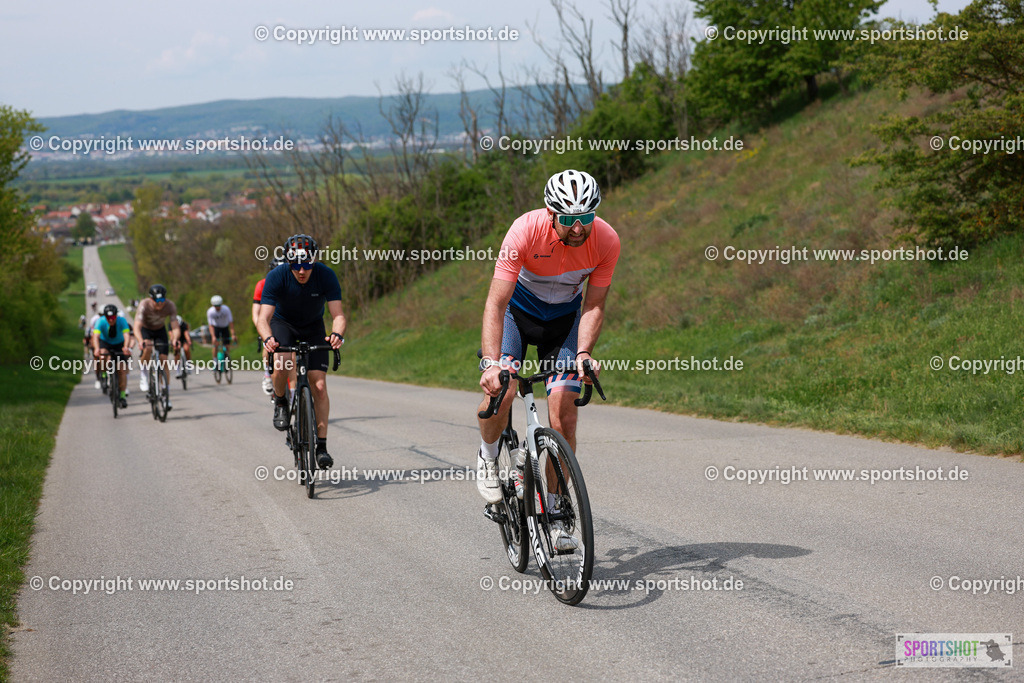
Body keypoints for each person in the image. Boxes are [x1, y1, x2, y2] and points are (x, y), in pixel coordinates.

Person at [476, 169, 620, 550]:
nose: (577, 228)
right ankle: (489, 457)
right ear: (550, 212)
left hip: (563, 324)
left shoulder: (606, 241)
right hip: (517, 317)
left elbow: (594, 304)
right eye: (569, 219)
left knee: (565, 413)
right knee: (502, 395)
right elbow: (496, 301)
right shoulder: (523, 231)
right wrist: (491, 363)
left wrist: (585, 353)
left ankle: (555, 512)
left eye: (585, 218)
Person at [258, 234, 346, 469]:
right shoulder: (276, 276)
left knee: (318, 386)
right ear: (288, 262)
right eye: (295, 265)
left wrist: (337, 335)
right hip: (283, 324)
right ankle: (280, 402)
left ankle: (322, 447)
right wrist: (268, 338)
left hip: (313, 326)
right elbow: (263, 318)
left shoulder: (326, 275)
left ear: (314, 260)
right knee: (282, 363)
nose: (301, 271)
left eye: (307, 264)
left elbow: (338, 315)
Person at [133, 284, 181, 409]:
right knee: (148, 347)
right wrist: (140, 340)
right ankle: (144, 374)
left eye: (162, 300)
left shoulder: (170, 305)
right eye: (157, 301)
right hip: (146, 329)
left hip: (160, 330)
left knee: (164, 360)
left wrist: (175, 339)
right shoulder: (144, 305)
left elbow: (175, 326)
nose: (160, 304)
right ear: (151, 299)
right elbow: (137, 326)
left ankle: (166, 395)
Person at [252, 258, 286, 395]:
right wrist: (262, 330)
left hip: (285, 321)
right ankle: (267, 374)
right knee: (269, 347)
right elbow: (256, 312)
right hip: (267, 320)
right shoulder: (262, 285)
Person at [93, 304, 134, 408]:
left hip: (119, 344)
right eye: (108, 318)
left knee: (122, 370)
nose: (111, 320)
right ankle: (104, 374)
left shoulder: (122, 321)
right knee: (103, 356)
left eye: (113, 317)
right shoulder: (100, 321)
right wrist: (96, 348)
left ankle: (122, 395)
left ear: (116, 315)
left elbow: (126, 335)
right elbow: (96, 336)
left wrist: (125, 347)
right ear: (105, 317)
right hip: (105, 342)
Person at [207, 295, 236, 372]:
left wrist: (233, 334)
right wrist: (213, 336)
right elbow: (210, 325)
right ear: (213, 305)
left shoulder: (226, 309)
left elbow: (231, 323)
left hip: (225, 327)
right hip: (216, 328)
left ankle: (226, 362)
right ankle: (215, 362)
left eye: (219, 305)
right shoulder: (210, 312)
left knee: (227, 345)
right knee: (215, 345)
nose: (218, 307)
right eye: (216, 306)